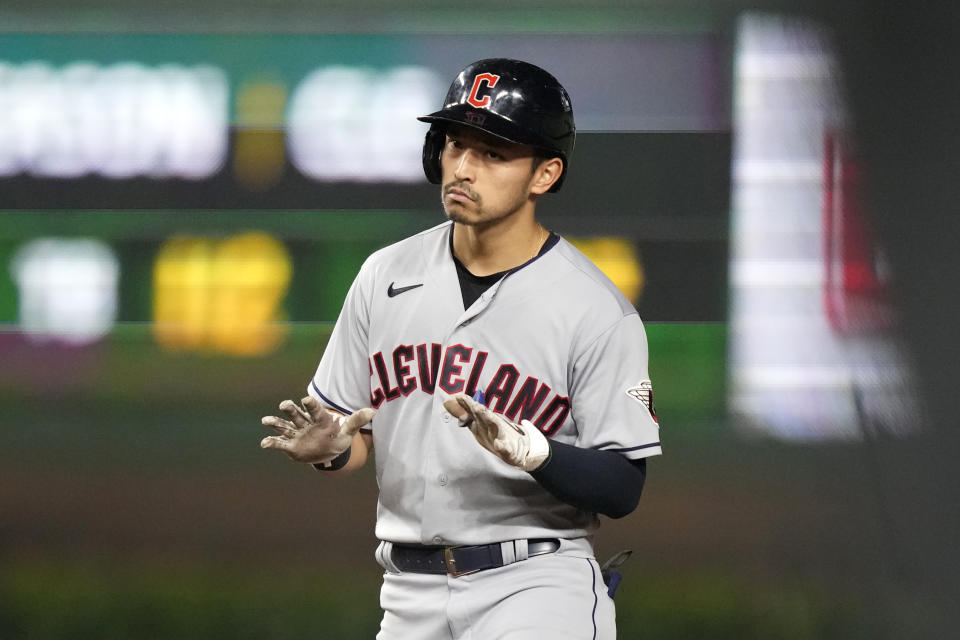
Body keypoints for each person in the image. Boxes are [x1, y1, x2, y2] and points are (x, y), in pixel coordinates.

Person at [260, 58, 662, 639]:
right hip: (406, 594)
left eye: (493, 153)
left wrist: (537, 453)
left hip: (535, 587)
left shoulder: (595, 309)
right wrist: (330, 450)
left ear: (544, 174)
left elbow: (624, 486)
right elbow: (356, 437)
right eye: (454, 146)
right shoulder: (385, 275)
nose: (464, 169)